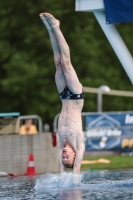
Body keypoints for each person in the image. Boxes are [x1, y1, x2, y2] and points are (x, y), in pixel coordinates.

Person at [39, 13, 85, 175]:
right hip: (75, 96)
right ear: (75, 155)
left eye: (63, 158)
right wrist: (73, 176)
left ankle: (50, 29)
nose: (64, 155)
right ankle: (56, 26)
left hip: (63, 97)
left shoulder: (61, 144)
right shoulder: (78, 144)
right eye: (68, 158)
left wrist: (62, 172)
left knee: (58, 63)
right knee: (66, 62)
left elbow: (61, 170)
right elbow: (76, 172)